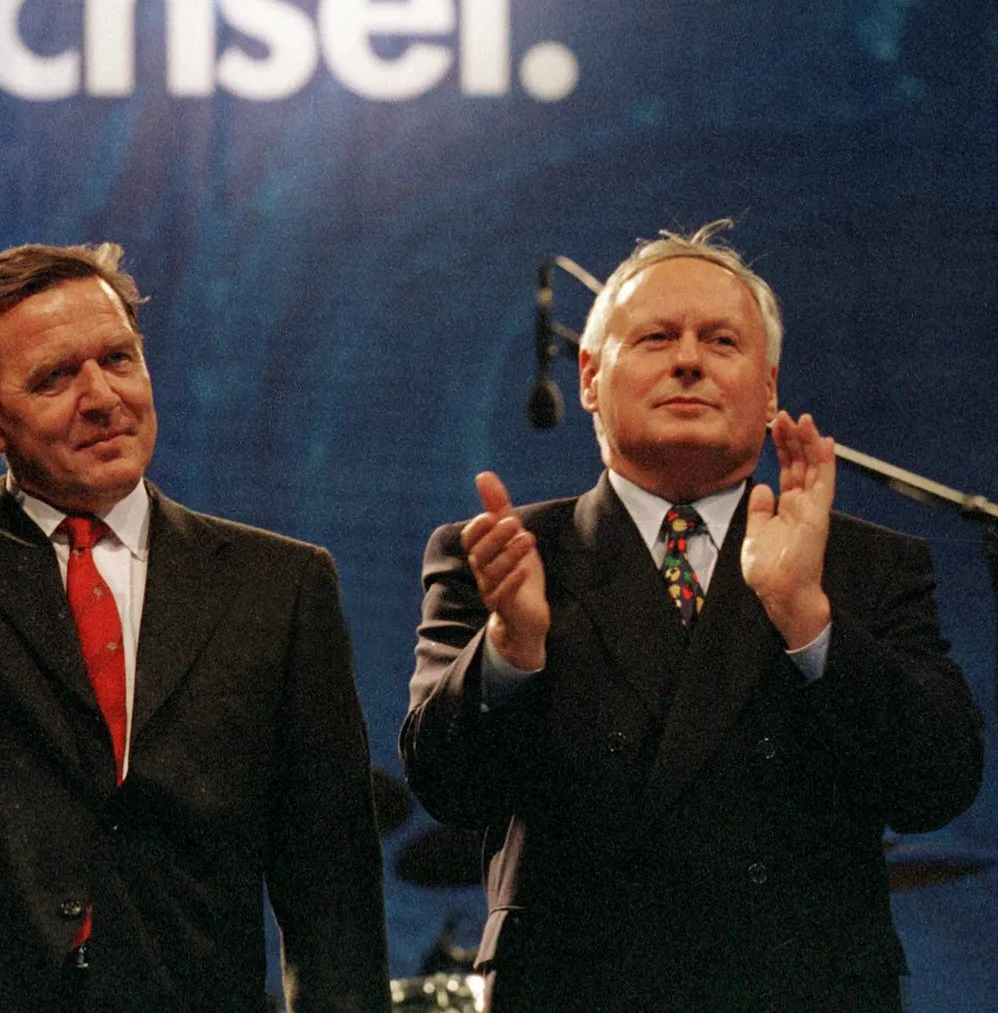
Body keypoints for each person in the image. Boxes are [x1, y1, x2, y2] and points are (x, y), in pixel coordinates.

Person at [0, 243, 389, 1013]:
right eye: (54, 376)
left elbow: (331, 889)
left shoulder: (280, 584)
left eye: (118, 358)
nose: (101, 396)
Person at [400, 223, 983, 1013]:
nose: (687, 360)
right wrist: (511, 648)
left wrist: (808, 619)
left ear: (768, 387)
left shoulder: (866, 567)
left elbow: (936, 785)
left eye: (720, 340)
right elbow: (447, 786)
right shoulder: (502, 556)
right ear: (590, 376)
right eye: (655, 337)